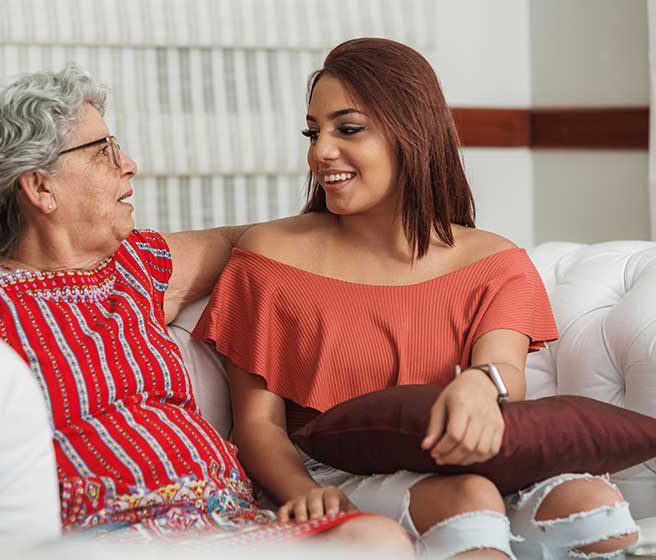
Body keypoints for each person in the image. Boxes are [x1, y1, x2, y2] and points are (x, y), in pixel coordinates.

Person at [0, 63, 412, 553]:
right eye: (104, 150)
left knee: (375, 538)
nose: (129, 164)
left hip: (231, 521)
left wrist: (394, 226)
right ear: (40, 187)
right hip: (106, 532)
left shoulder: (135, 263)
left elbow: (258, 242)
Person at [193, 38, 640, 559]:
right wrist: (305, 494)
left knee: (591, 499)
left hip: (475, 461)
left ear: (412, 133)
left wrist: (480, 384)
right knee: (469, 498)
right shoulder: (270, 257)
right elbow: (258, 423)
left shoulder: (495, 262)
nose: (321, 152)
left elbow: (503, 372)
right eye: (314, 132)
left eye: (348, 129)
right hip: (332, 476)